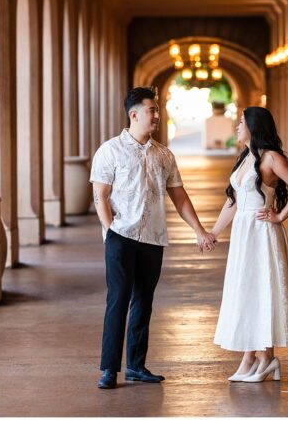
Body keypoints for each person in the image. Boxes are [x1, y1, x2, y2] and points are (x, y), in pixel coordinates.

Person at [89, 86, 216, 389]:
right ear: (134, 114)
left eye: (157, 109)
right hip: (121, 236)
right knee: (118, 301)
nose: (157, 115)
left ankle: (136, 365)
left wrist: (199, 230)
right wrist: (110, 231)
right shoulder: (110, 150)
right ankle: (109, 369)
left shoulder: (164, 155)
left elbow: (179, 197)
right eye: (152, 110)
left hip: (153, 238)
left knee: (144, 301)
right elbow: (100, 195)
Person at [208, 106, 288, 383]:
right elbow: (235, 201)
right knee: (247, 291)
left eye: (241, 123)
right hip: (243, 232)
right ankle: (250, 357)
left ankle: (266, 358)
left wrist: (279, 216)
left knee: (262, 290)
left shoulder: (271, 158)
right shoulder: (245, 158)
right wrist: (214, 232)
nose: (237, 127)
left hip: (262, 232)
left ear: (253, 126)